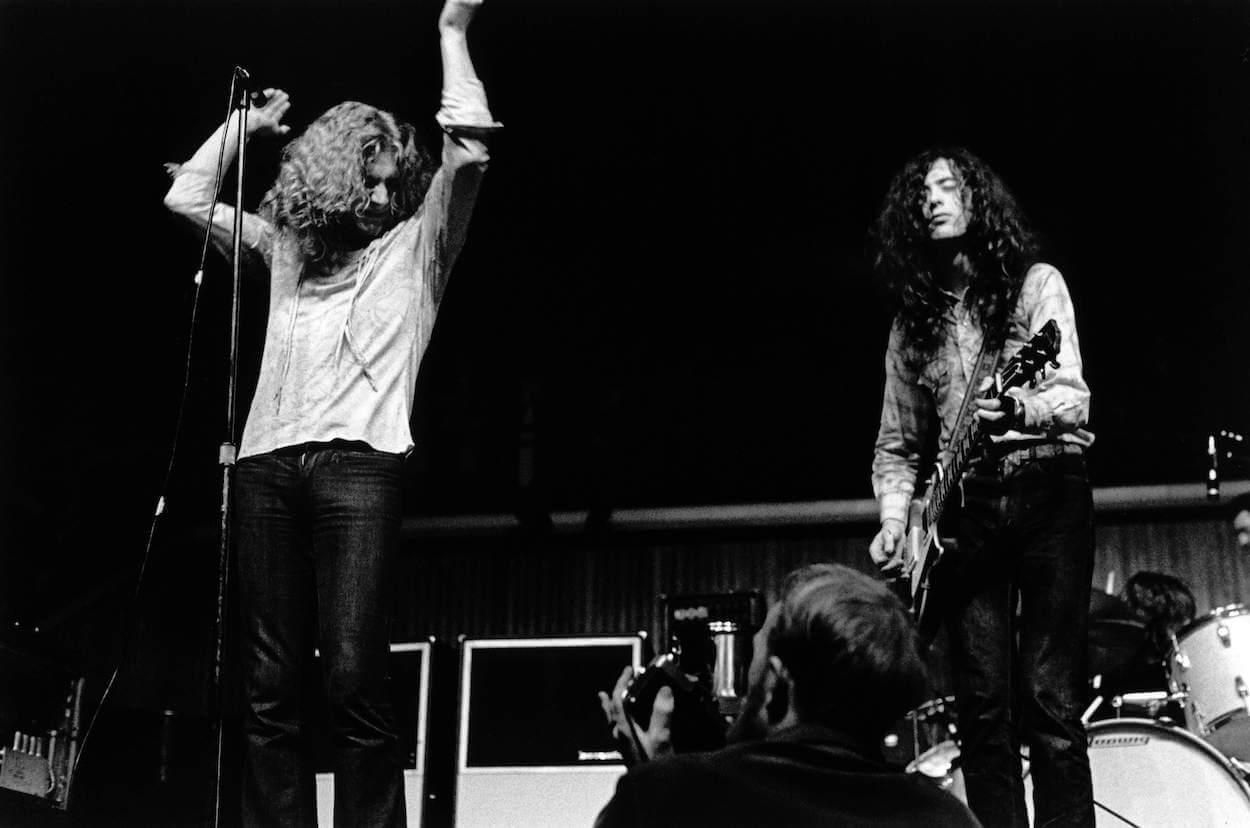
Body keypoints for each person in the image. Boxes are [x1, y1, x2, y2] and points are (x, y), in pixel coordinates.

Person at [162, 1, 499, 824]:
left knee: (353, 673)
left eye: (393, 184)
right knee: (270, 686)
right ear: (337, 176)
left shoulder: (419, 248)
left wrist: (453, 34)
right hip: (265, 464)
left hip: (359, 464)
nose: (385, 197)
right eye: (371, 181)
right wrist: (243, 125)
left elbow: (470, 150)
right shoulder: (285, 248)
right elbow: (187, 197)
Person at [866, 147, 1095, 827]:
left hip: (1046, 485)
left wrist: (1017, 409)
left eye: (947, 187)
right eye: (920, 194)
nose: (932, 200)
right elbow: (898, 445)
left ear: (977, 201)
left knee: (1052, 704)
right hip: (961, 522)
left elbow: (1073, 394)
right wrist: (895, 521)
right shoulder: (912, 325)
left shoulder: (1033, 286)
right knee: (982, 715)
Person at [594, 564, 981, 827]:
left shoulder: (662, 797)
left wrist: (653, 788)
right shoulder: (945, 818)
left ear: (776, 686)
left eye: (756, 667)